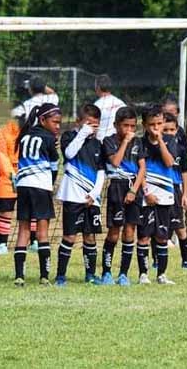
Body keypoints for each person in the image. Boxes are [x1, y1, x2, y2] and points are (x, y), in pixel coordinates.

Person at [54, 104, 106, 287]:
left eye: (95, 124)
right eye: (88, 123)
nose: (92, 128)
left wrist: (95, 193)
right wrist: (83, 133)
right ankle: (60, 275)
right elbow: (69, 153)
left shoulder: (97, 144)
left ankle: (90, 274)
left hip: (91, 199)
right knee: (69, 237)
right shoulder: (69, 137)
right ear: (79, 122)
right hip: (72, 197)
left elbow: (101, 171)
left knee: (90, 237)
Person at [13, 103, 62, 287]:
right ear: (42, 120)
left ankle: (19, 276)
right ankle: (44, 276)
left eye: (59, 123)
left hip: (24, 186)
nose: (58, 126)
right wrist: (50, 182)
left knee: (23, 230)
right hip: (41, 187)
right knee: (42, 232)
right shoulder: (49, 139)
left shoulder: (24, 135)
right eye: (55, 122)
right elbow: (54, 167)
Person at [100, 106, 146, 286]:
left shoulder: (138, 143)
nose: (129, 130)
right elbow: (116, 162)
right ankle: (106, 272)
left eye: (133, 126)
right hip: (116, 189)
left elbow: (142, 168)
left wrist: (135, 190)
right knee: (113, 233)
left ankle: (124, 274)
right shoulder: (108, 141)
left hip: (133, 189)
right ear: (116, 125)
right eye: (125, 125)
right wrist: (125, 142)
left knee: (130, 231)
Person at [139, 104, 178, 285]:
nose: (156, 128)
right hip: (147, 197)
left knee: (162, 236)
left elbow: (169, 162)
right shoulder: (139, 143)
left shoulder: (170, 140)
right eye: (152, 124)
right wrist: (146, 192)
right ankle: (143, 274)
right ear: (145, 125)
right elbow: (140, 171)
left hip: (165, 195)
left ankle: (161, 274)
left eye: (159, 123)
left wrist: (160, 140)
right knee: (144, 236)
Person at [161, 112, 187, 269]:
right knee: (157, 228)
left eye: (171, 130)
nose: (168, 134)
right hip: (158, 188)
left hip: (174, 189)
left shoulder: (180, 149)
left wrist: (184, 194)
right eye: (165, 130)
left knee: (180, 227)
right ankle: (156, 260)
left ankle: (186, 259)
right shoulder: (155, 148)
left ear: (177, 130)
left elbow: (185, 172)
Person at [0, 115, 21, 255]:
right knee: (5, 211)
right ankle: (2, 245)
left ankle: (34, 242)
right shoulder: (0, 133)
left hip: (27, 175)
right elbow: (2, 157)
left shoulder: (30, 131)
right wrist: (12, 175)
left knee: (31, 210)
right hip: (6, 178)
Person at [93, 74, 126, 141]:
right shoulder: (121, 103)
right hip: (119, 142)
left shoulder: (96, 106)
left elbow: (92, 128)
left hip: (102, 143)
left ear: (98, 88)